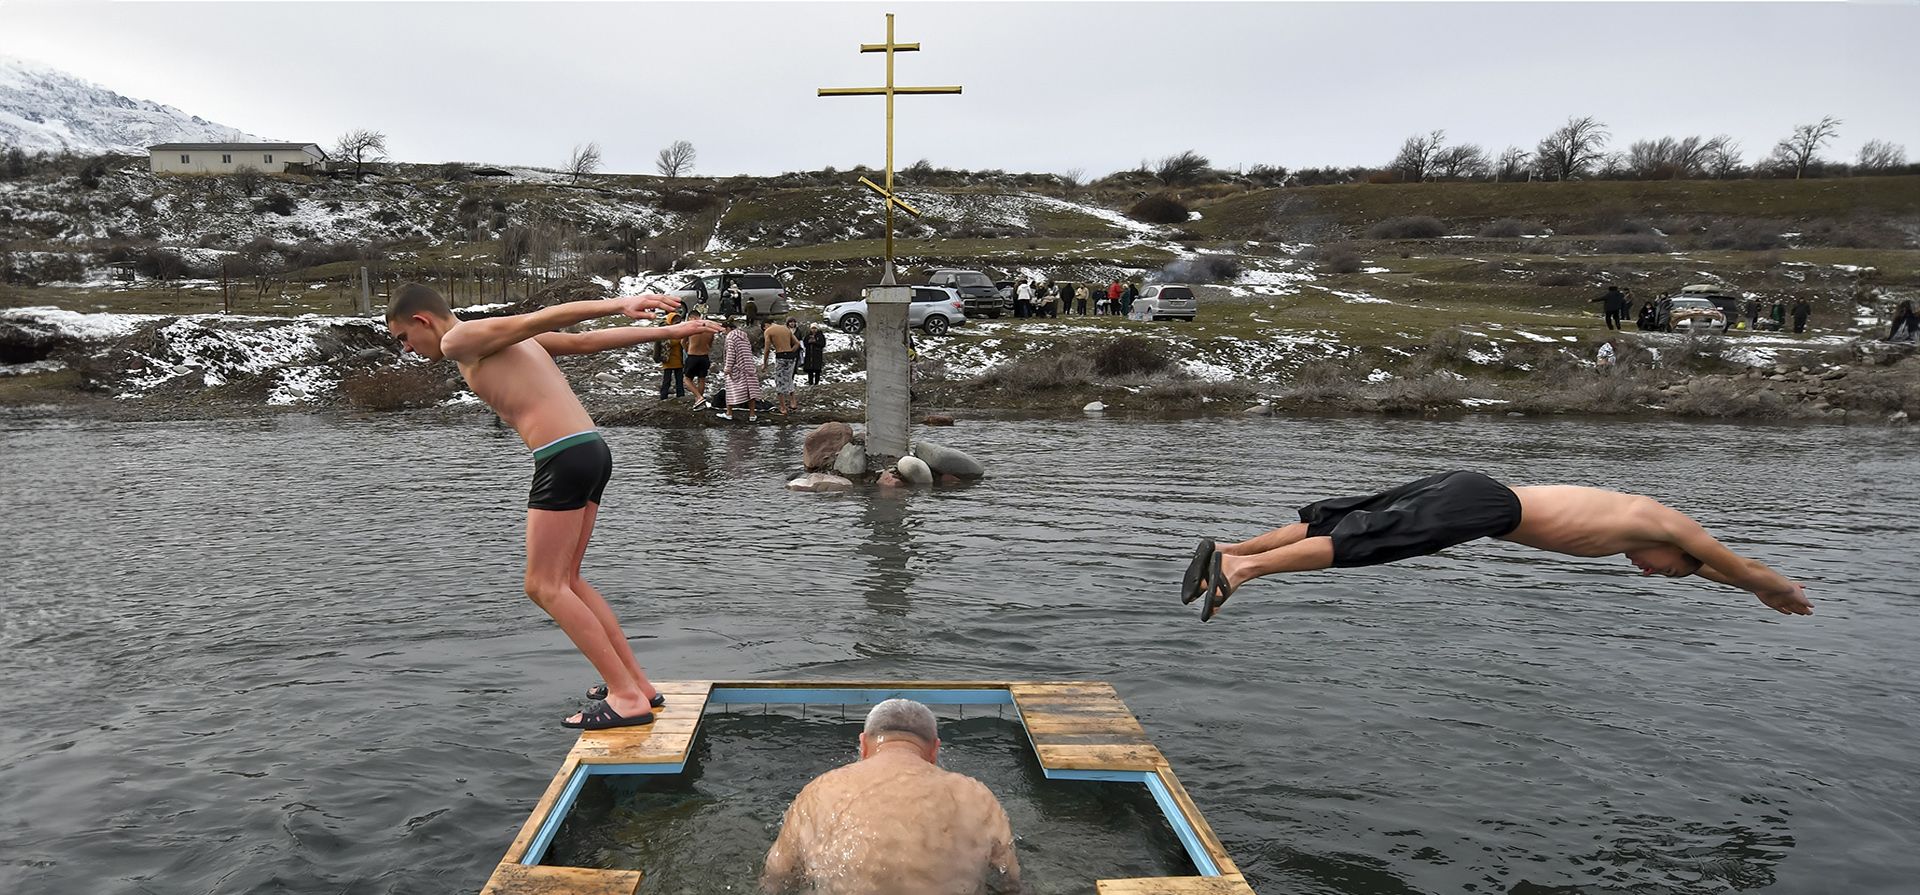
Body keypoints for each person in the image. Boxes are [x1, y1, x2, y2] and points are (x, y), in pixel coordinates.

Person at [384, 283, 720, 729]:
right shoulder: (491, 340)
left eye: (403, 338)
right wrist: (666, 334)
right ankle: (638, 685)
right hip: (591, 450)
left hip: (563, 455)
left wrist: (618, 304)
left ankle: (624, 697)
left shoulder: (458, 340)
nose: (407, 348)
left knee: (542, 586)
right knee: (569, 580)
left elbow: (542, 317)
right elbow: (583, 343)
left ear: (422, 320)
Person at [1180, 471, 1813, 623]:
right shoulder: (1671, 528)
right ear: (1681, 553)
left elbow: (1710, 571)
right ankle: (1243, 567)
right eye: (1670, 574)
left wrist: (1744, 583)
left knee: (1344, 519)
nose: (1654, 573)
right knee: (1369, 542)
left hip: (1475, 488)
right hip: (1488, 505)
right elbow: (1735, 566)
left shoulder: (1642, 530)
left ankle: (1229, 547)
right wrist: (1774, 589)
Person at [761, 699, 1021, 895]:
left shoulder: (822, 789)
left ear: (863, 745)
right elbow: (1010, 879)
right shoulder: (976, 796)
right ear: (934, 750)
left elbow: (778, 875)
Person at [720, 319, 761, 421]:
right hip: (749, 366)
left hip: (738, 367)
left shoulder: (731, 337)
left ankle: (729, 413)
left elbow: (731, 353)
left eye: (723, 330)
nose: (722, 332)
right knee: (750, 391)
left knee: (730, 389)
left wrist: (728, 368)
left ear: (728, 328)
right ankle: (752, 415)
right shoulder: (743, 336)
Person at [764, 316, 801, 419]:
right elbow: (797, 344)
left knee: (779, 381)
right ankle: (793, 403)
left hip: (780, 356)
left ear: (765, 325)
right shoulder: (785, 328)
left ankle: (783, 407)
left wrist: (765, 363)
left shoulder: (768, 331)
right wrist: (790, 352)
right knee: (789, 378)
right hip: (790, 356)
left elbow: (767, 349)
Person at [684, 309, 715, 407]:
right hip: (704, 356)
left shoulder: (691, 328)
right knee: (701, 379)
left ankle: (699, 397)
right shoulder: (708, 329)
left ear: (691, 318)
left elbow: (682, 342)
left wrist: (687, 350)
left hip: (693, 355)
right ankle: (699, 401)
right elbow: (710, 344)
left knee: (687, 379)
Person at [656, 310, 686, 400]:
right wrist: (657, 357)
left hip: (679, 360)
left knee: (679, 380)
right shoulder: (665, 332)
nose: (677, 323)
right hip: (668, 360)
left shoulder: (681, 332)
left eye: (678, 321)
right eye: (675, 322)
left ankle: (680, 396)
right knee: (667, 380)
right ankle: (663, 396)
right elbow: (658, 346)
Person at [801, 322, 827, 386]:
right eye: (812, 328)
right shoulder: (807, 335)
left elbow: (823, 344)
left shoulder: (820, 335)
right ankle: (810, 382)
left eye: (815, 328)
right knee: (810, 370)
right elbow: (804, 344)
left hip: (817, 355)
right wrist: (809, 342)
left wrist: (815, 342)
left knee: (817, 370)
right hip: (809, 355)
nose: (813, 330)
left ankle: (816, 383)